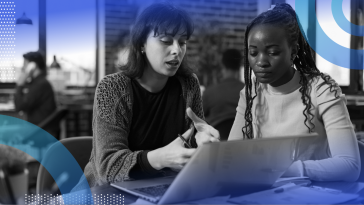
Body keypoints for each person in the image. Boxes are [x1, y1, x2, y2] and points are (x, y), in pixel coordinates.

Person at [73, 3, 219, 190]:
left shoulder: (189, 84)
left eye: (182, 42)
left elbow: (185, 151)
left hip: (162, 189)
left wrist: (201, 144)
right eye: (166, 41)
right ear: (141, 43)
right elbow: (107, 169)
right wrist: (161, 158)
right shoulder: (112, 87)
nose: (177, 50)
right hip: (103, 193)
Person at [228, 3, 360, 182]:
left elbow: (349, 166)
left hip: (317, 195)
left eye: (273, 52)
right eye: (253, 53)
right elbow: (231, 158)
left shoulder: (321, 89)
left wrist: (283, 168)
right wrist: (211, 151)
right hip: (269, 194)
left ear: (293, 52)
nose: (261, 62)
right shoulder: (251, 93)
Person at [14, 51, 58, 139]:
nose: (23, 68)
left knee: (3, 131)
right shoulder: (38, 82)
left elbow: (19, 106)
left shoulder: (40, 84)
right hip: (39, 128)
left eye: (25, 64)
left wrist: (19, 85)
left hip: (39, 130)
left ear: (32, 66)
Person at [203, 49, 245, 140]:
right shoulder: (249, 92)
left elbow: (199, 119)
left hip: (216, 144)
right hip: (243, 144)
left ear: (222, 66)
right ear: (239, 66)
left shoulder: (210, 92)